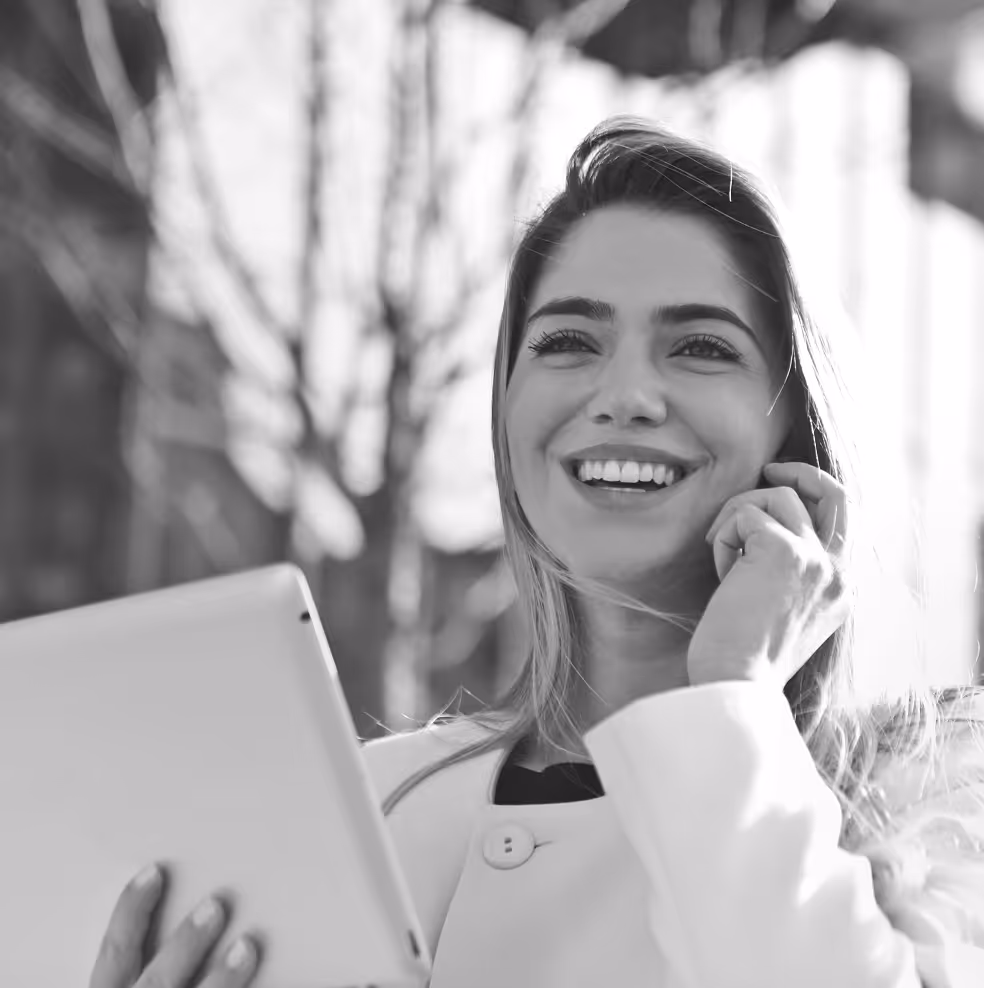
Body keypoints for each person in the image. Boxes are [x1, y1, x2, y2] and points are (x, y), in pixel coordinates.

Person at [90, 119, 984, 988]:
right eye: (567, 342)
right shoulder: (364, 810)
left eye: (701, 347)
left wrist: (730, 696)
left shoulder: (933, 801)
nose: (625, 393)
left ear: (798, 428)